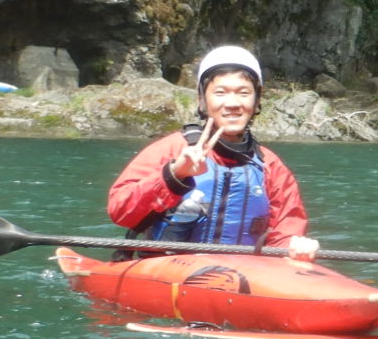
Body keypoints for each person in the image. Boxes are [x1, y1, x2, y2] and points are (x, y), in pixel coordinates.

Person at [108, 45, 320, 258]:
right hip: (165, 275)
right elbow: (120, 212)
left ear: (257, 100)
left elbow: (285, 232)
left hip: (241, 276)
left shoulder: (270, 166)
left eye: (243, 93)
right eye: (220, 93)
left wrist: (293, 249)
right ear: (202, 99)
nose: (233, 103)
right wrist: (173, 175)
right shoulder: (171, 149)